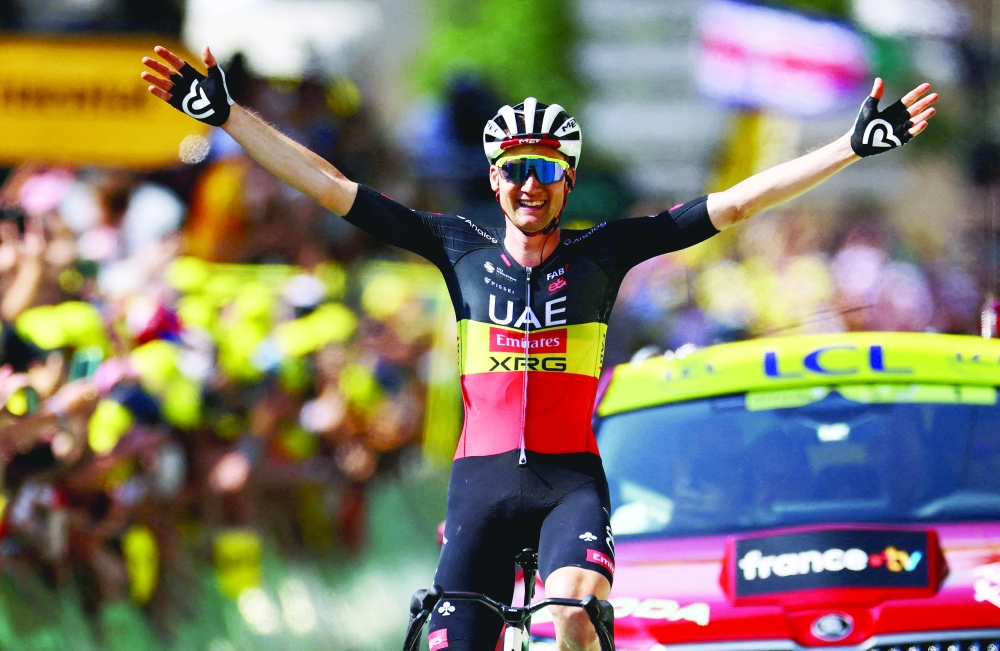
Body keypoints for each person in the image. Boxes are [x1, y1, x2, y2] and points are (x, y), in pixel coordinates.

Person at [142, 45, 937, 651]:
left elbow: (731, 203)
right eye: (516, 170)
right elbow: (326, 185)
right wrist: (228, 118)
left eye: (547, 171)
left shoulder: (604, 252)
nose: (530, 184)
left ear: (567, 179)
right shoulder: (454, 246)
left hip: (567, 487)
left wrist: (850, 149)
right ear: (495, 180)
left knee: (567, 617)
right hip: (478, 490)